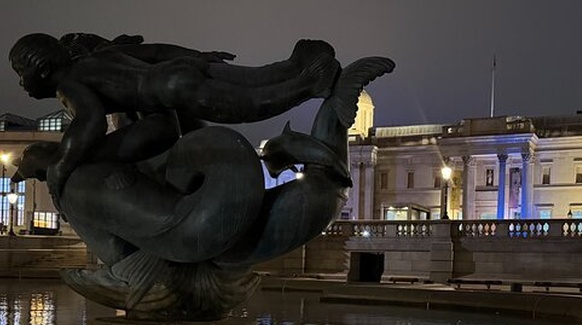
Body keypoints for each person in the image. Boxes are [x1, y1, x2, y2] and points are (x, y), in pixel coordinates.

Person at [9, 32, 339, 200]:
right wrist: (197, 57)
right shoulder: (101, 58)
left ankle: (309, 83)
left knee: (247, 105)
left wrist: (63, 164)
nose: (22, 83)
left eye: (20, 73)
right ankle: (295, 65)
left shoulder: (69, 84)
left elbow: (90, 121)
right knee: (248, 79)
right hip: (175, 73)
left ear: (43, 67)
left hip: (170, 91)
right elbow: (153, 52)